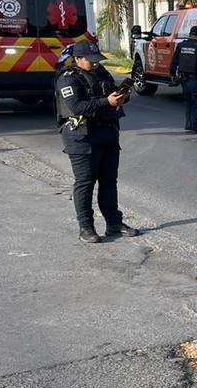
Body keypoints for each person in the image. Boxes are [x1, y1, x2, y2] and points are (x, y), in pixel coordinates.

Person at [54, 40, 139, 244]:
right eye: (90, 60)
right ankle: (86, 227)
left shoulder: (101, 72)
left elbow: (110, 95)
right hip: (82, 136)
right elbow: (77, 106)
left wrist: (122, 96)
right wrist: (106, 102)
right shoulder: (68, 79)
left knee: (109, 182)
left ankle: (114, 223)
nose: (95, 64)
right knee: (85, 182)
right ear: (77, 59)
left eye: (97, 60)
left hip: (107, 132)